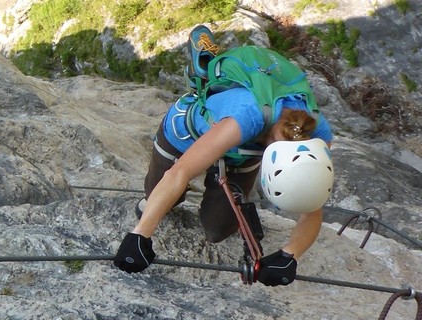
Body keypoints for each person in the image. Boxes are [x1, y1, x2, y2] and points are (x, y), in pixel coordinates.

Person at [112, 25, 336, 287]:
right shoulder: (246, 117)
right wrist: (140, 236)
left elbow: (312, 206)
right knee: (158, 201)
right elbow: (180, 172)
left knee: (218, 230)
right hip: (187, 133)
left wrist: (290, 255)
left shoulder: (317, 138)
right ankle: (206, 62)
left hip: (241, 154)